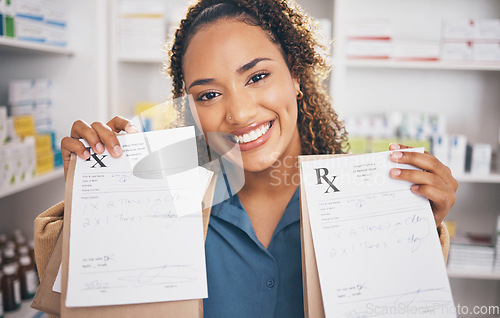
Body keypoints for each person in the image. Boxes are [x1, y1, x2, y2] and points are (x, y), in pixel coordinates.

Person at [34, 0, 458, 317]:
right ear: (190, 107)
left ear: (295, 74)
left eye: (257, 77)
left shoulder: (355, 204)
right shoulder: (167, 198)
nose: (237, 113)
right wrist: (95, 200)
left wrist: (418, 226)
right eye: (209, 95)